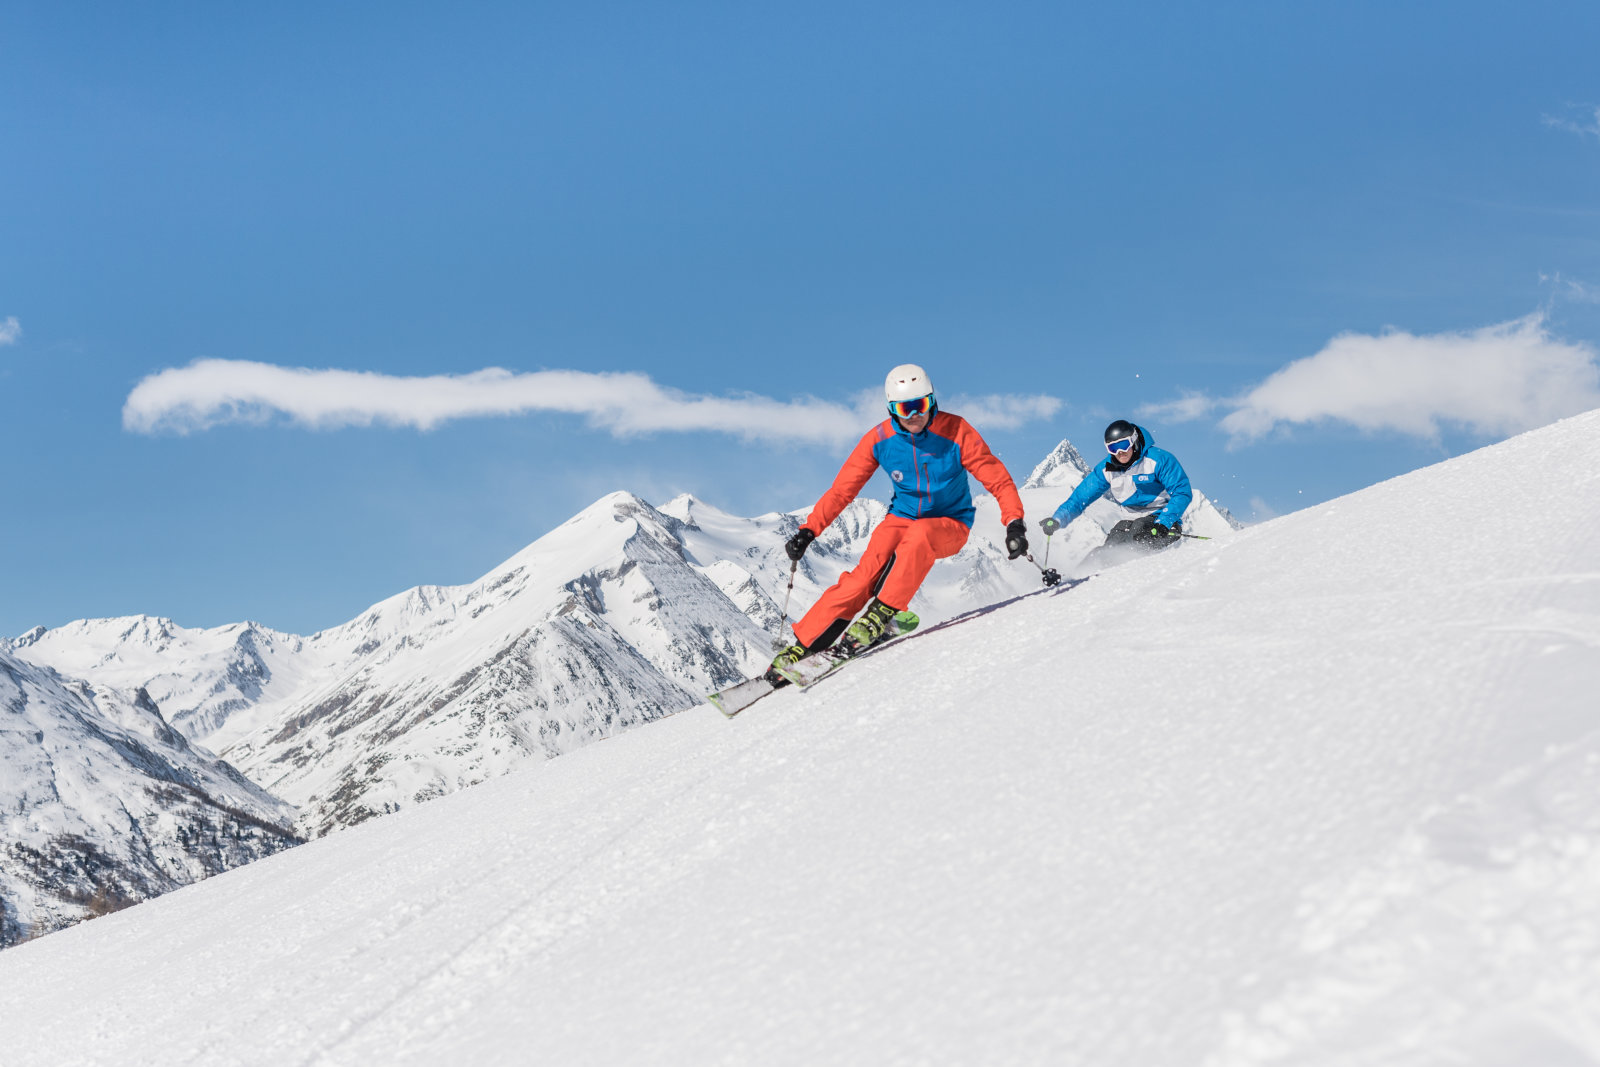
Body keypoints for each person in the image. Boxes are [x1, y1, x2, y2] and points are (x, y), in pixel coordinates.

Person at [770, 364, 1030, 680]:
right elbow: (842, 490)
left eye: (920, 405)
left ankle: (881, 615)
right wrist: (808, 530)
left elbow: (997, 478)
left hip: (950, 524)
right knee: (863, 577)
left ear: (932, 401)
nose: (913, 415)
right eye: (904, 408)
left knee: (920, 535)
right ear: (891, 409)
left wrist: (1014, 521)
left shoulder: (957, 431)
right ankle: (803, 646)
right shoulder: (880, 440)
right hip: (901, 519)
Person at [1040, 420, 1192, 564]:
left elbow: (1182, 492)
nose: (1120, 452)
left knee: (1136, 536)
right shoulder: (1107, 469)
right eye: (1113, 448)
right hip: (1129, 521)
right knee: (1107, 551)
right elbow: (1079, 498)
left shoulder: (1159, 459)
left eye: (1124, 445)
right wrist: (1057, 520)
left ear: (1133, 440)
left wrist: (1164, 523)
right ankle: (1081, 579)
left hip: (1162, 521)